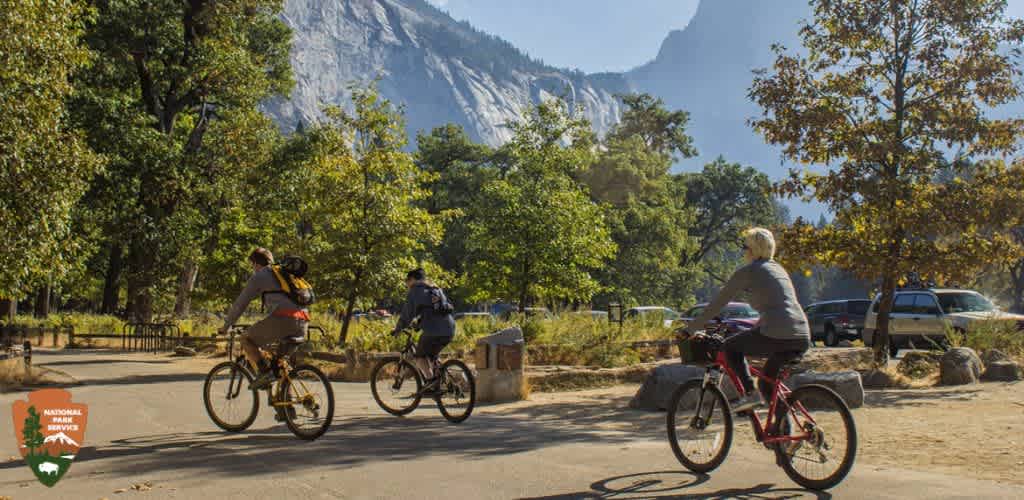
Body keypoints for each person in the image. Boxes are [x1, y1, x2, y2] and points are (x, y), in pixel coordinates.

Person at [686, 228, 810, 412]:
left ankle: (749, 394)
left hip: (777, 333)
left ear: (753, 250)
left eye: (745, 247)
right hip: (801, 335)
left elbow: (718, 303)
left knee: (730, 347)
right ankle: (783, 434)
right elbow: (777, 306)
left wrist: (690, 328)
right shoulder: (779, 269)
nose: (743, 251)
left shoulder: (750, 271)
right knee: (767, 386)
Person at [218, 248, 309, 390]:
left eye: (252, 265)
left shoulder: (261, 275)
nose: (253, 269)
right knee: (279, 367)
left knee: (246, 339)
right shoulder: (283, 273)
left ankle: (264, 374)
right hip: (303, 320)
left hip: (284, 319)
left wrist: (226, 326)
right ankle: (285, 408)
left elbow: (240, 303)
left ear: (255, 264)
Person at [391, 268, 456, 394]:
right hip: (449, 328)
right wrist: (419, 324)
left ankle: (431, 383)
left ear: (413, 280)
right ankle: (443, 383)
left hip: (434, 331)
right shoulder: (435, 288)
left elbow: (406, 314)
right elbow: (434, 311)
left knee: (419, 357)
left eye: (407, 281)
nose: (407, 284)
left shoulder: (415, 291)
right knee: (432, 356)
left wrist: (398, 329)